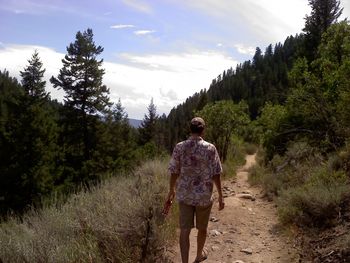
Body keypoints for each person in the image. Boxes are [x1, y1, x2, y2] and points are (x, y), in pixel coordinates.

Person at [167, 117, 224, 263]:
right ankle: (198, 256)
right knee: (202, 228)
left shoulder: (180, 147)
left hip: (185, 195)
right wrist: (221, 196)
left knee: (184, 230)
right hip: (204, 196)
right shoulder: (210, 148)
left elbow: (174, 171)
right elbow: (216, 173)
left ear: (190, 129)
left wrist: (171, 190)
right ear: (203, 130)